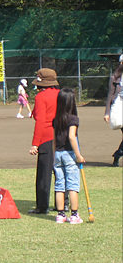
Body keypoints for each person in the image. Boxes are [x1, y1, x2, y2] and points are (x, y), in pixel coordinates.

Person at [28, 68, 60, 214]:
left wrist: (35, 143)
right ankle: (63, 204)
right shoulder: (61, 95)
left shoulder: (41, 97)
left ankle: (42, 206)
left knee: (44, 174)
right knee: (61, 171)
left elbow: (39, 120)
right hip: (61, 136)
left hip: (47, 137)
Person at [52, 88, 85, 224]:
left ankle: (60, 215)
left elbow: (54, 139)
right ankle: (74, 215)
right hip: (69, 154)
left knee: (59, 185)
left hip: (58, 154)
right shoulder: (73, 119)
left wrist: (54, 154)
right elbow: (72, 137)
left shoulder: (56, 119)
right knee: (72, 185)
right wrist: (78, 155)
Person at [104, 53, 123, 166]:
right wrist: (107, 112)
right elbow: (110, 95)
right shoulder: (115, 78)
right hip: (119, 106)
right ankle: (118, 154)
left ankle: (118, 154)